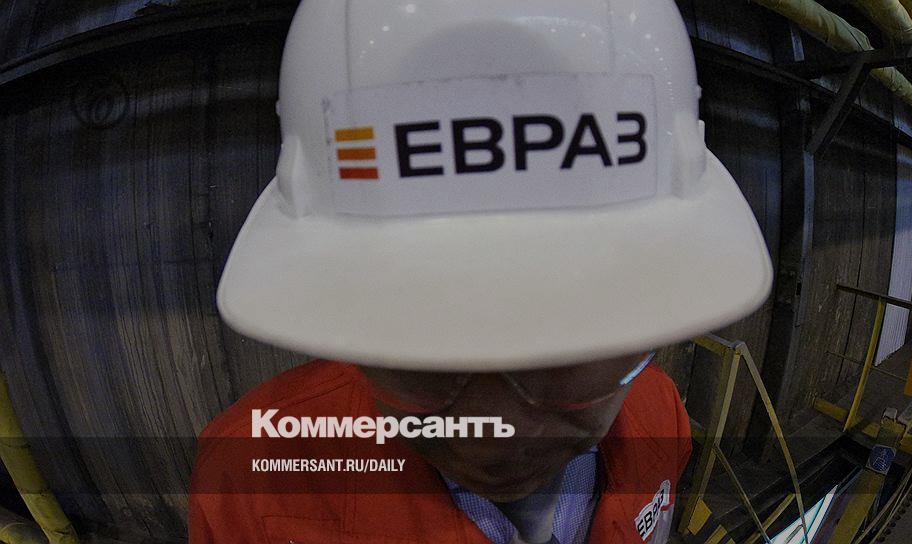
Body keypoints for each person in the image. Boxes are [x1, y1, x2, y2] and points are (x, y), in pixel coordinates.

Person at [188, 1, 773, 542]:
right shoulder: (249, 484)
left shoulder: (660, 418)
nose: (497, 436)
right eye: (425, 351)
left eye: (565, 350)